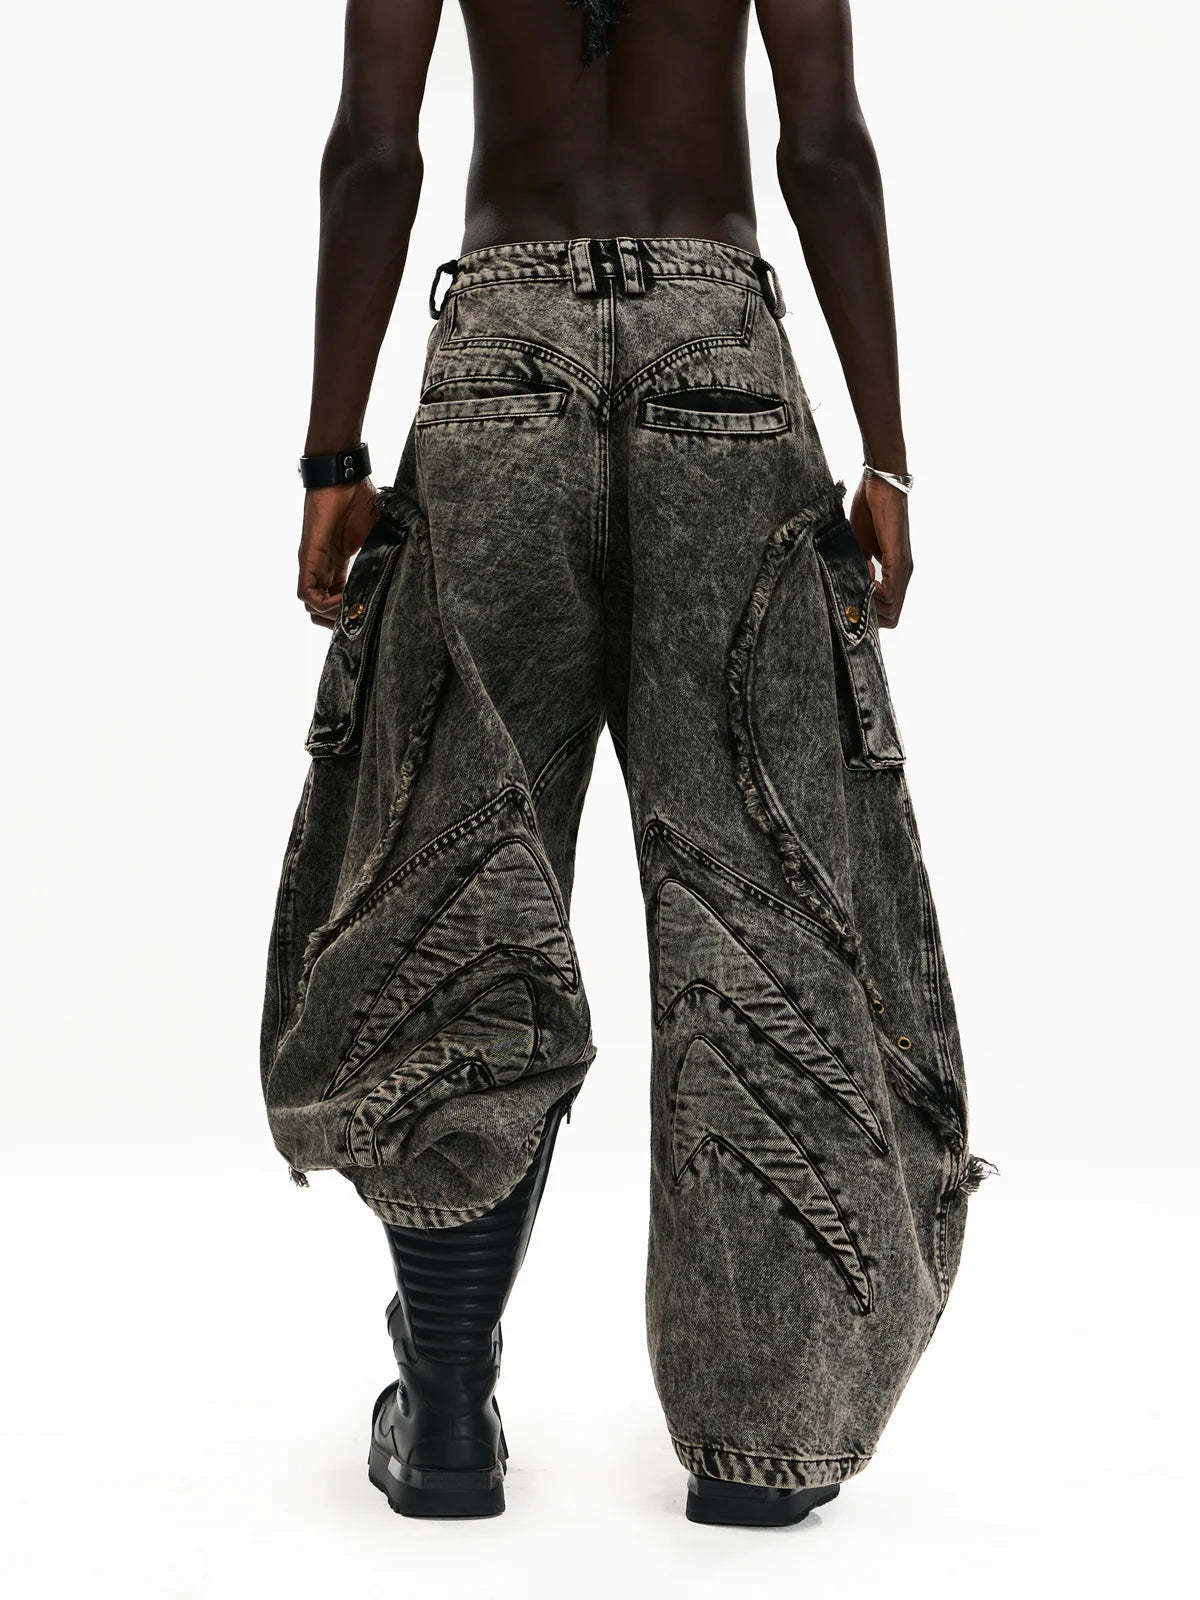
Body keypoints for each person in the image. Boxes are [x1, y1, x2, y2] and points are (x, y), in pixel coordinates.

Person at [261, 0, 986, 1527]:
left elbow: (375, 152)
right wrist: (886, 453)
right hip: (721, 357)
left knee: (460, 884)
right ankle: (760, 1443)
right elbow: (824, 147)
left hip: (500, 363)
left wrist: (331, 459)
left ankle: (444, 1411)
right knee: (757, 893)